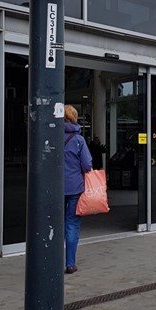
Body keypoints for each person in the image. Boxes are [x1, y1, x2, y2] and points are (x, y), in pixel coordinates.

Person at [63, 105, 92, 274]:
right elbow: (87, 165)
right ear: (74, 118)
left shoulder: (51, 136)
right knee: (72, 224)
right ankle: (70, 264)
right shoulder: (79, 140)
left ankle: (51, 261)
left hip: (54, 188)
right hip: (75, 187)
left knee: (55, 224)